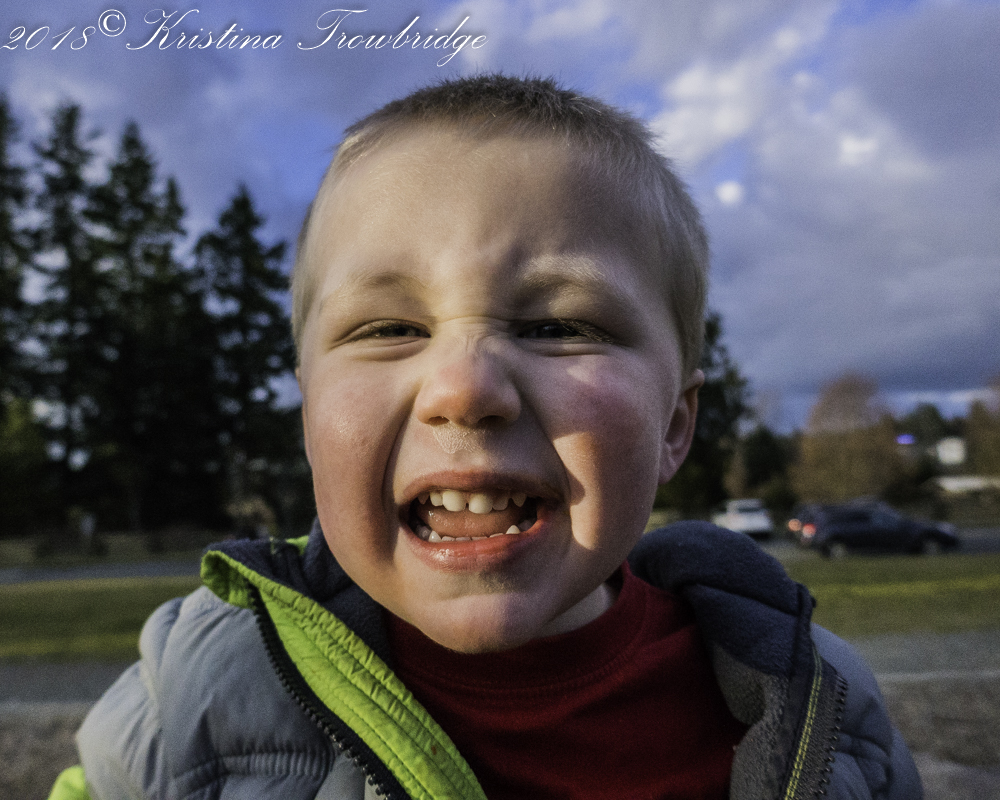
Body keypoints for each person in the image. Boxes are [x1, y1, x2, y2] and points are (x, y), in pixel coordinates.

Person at [50, 74, 921, 800]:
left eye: (558, 328)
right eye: (388, 328)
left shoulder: (821, 707)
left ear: (674, 425)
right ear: (311, 417)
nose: (464, 389)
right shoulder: (189, 704)